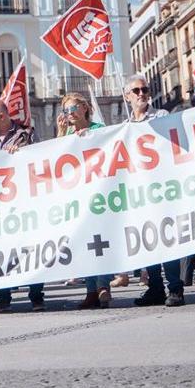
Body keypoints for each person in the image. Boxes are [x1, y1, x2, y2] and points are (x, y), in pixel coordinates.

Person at [121, 79, 186, 308]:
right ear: (127, 96)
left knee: (167, 238)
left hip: (161, 187)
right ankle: (156, 287)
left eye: (144, 90)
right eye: (136, 91)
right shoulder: (125, 125)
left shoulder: (161, 116)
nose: (141, 94)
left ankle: (175, 288)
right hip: (140, 191)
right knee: (148, 239)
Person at [0, 99, 43, 313]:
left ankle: (36, 296)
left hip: (23, 202)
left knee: (31, 249)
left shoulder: (26, 134)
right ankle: (3, 297)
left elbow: (40, 158)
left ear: (1, 116)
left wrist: (23, 154)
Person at [57, 93, 118, 309]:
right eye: (65, 110)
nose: (69, 114)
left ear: (84, 108)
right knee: (85, 242)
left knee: (100, 241)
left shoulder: (99, 130)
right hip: (78, 197)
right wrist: (61, 133)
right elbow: (56, 158)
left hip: (99, 194)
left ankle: (103, 286)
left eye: (73, 108)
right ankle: (91, 290)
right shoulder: (67, 135)